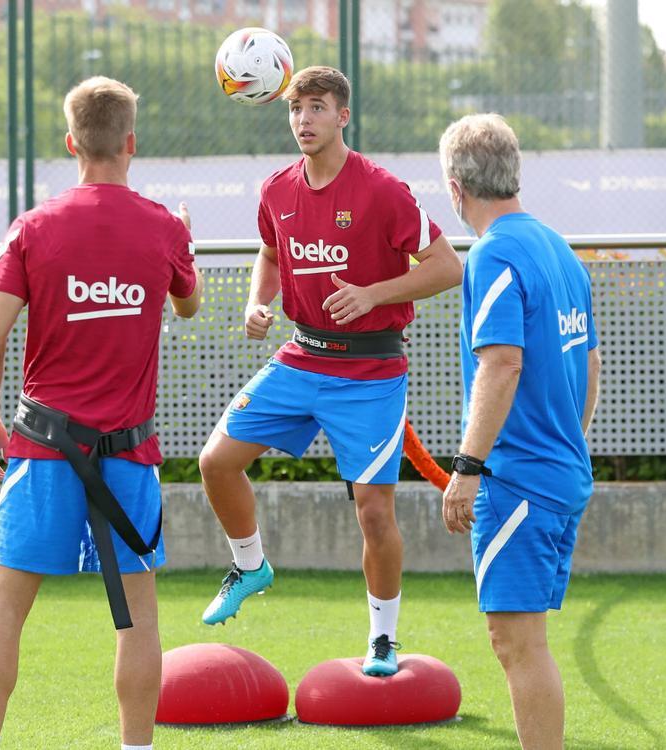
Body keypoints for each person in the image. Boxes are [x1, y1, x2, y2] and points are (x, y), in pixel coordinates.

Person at [197, 66, 463, 677]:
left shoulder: (382, 190)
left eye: (317, 108)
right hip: (301, 355)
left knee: (373, 511)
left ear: (343, 116)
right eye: (296, 110)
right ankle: (250, 564)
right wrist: (257, 302)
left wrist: (373, 293)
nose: (304, 120)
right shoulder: (276, 189)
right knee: (216, 460)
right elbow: (269, 252)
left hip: (371, 369)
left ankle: (383, 639)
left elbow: (447, 267)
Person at [0, 76, 202, 750]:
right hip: (128, 456)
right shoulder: (162, 227)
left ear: (72, 143)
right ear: (131, 143)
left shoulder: (33, 228)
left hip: (40, 449)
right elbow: (187, 307)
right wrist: (183, 241)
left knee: (6, 608)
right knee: (139, 620)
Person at [438, 113, 601, 750]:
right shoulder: (556, 247)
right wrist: (574, 443)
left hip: (519, 480)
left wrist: (467, 469)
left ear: (456, 188)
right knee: (524, 641)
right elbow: (589, 359)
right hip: (560, 475)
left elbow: (502, 362)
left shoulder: (494, 252)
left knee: (517, 643)